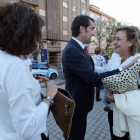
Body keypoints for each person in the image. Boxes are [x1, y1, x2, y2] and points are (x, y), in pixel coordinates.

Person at [61, 15, 136, 140]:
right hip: (77, 105)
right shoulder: (72, 50)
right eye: (92, 29)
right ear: (82, 29)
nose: (94, 33)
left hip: (86, 106)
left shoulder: (79, 49)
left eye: (118, 39)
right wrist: (122, 69)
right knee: (76, 136)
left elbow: (93, 70)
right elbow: (92, 78)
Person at [0, 3, 58, 140]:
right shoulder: (15, 65)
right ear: (25, 34)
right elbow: (28, 128)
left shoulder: (4, 59)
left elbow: (7, 93)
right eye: (37, 34)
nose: (37, 41)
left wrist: (31, 83)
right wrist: (49, 97)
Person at [95, 26, 140, 140]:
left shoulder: (138, 61)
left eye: (118, 39)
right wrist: (88, 66)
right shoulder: (115, 56)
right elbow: (106, 71)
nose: (114, 42)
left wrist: (118, 98)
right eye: (114, 39)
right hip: (113, 110)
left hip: (132, 114)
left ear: (131, 41)